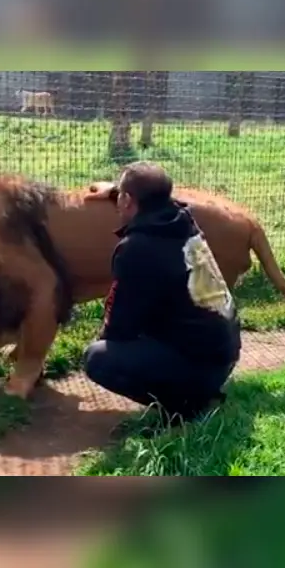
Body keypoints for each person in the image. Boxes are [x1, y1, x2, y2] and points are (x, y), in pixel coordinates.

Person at [82, 161, 241, 428]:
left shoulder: (136, 248)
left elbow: (120, 328)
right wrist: (114, 192)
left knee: (97, 358)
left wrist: (113, 341)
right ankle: (195, 392)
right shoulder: (181, 219)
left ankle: (185, 409)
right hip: (224, 353)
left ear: (129, 200)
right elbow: (156, 198)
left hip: (199, 366)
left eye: (121, 195)